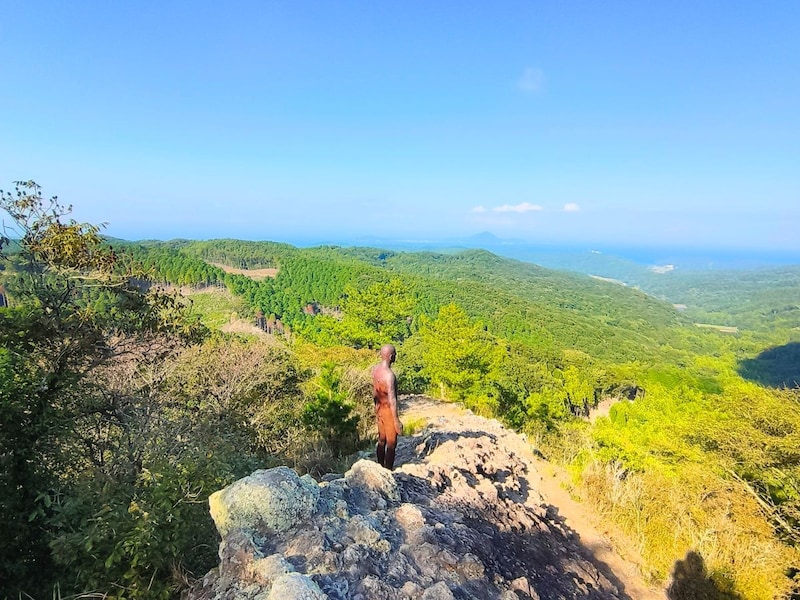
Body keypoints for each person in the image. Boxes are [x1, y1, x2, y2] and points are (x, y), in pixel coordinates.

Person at [372, 344, 403, 470]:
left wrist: (376, 407)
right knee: (391, 444)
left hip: (380, 409)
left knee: (381, 440)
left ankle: (380, 467)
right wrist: (396, 421)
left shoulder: (375, 369)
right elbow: (392, 400)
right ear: (391, 356)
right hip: (388, 412)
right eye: (394, 354)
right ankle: (388, 471)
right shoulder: (389, 375)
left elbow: (375, 392)